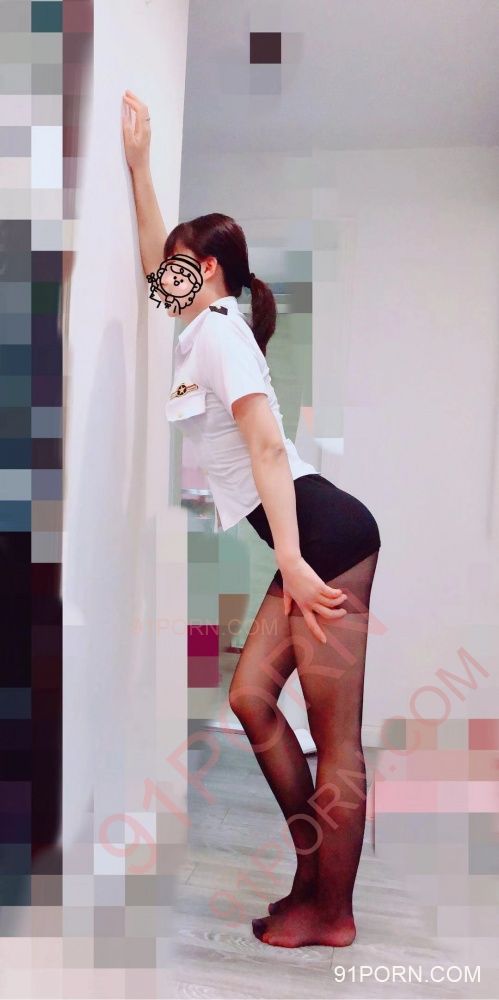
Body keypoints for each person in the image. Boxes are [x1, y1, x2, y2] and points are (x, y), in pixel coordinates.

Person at [122, 90, 381, 949]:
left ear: (209, 271)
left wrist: (297, 564)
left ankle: (332, 911)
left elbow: (267, 448)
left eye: (181, 265)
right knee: (250, 698)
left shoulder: (220, 333)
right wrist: (139, 169)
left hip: (326, 538)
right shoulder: (204, 327)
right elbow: (155, 269)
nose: (167, 277)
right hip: (307, 536)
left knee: (334, 735)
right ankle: (312, 876)